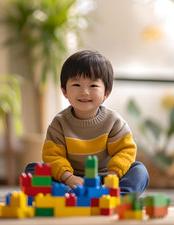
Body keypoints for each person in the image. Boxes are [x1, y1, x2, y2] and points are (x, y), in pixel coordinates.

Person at [24, 50, 149, 194]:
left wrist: (112, 177)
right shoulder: (59, 123)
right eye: (76, 85)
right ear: (64, 91)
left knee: (139, 170)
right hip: (70, 180)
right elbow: (53, 156)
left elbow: (125, 151)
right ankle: (67, 194)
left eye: (93, 86)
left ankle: (116, 196)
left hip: (105, 179)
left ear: (106, 93)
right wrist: (69, 178)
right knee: (33, 169)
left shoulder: (114, 122)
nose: (84, 92)